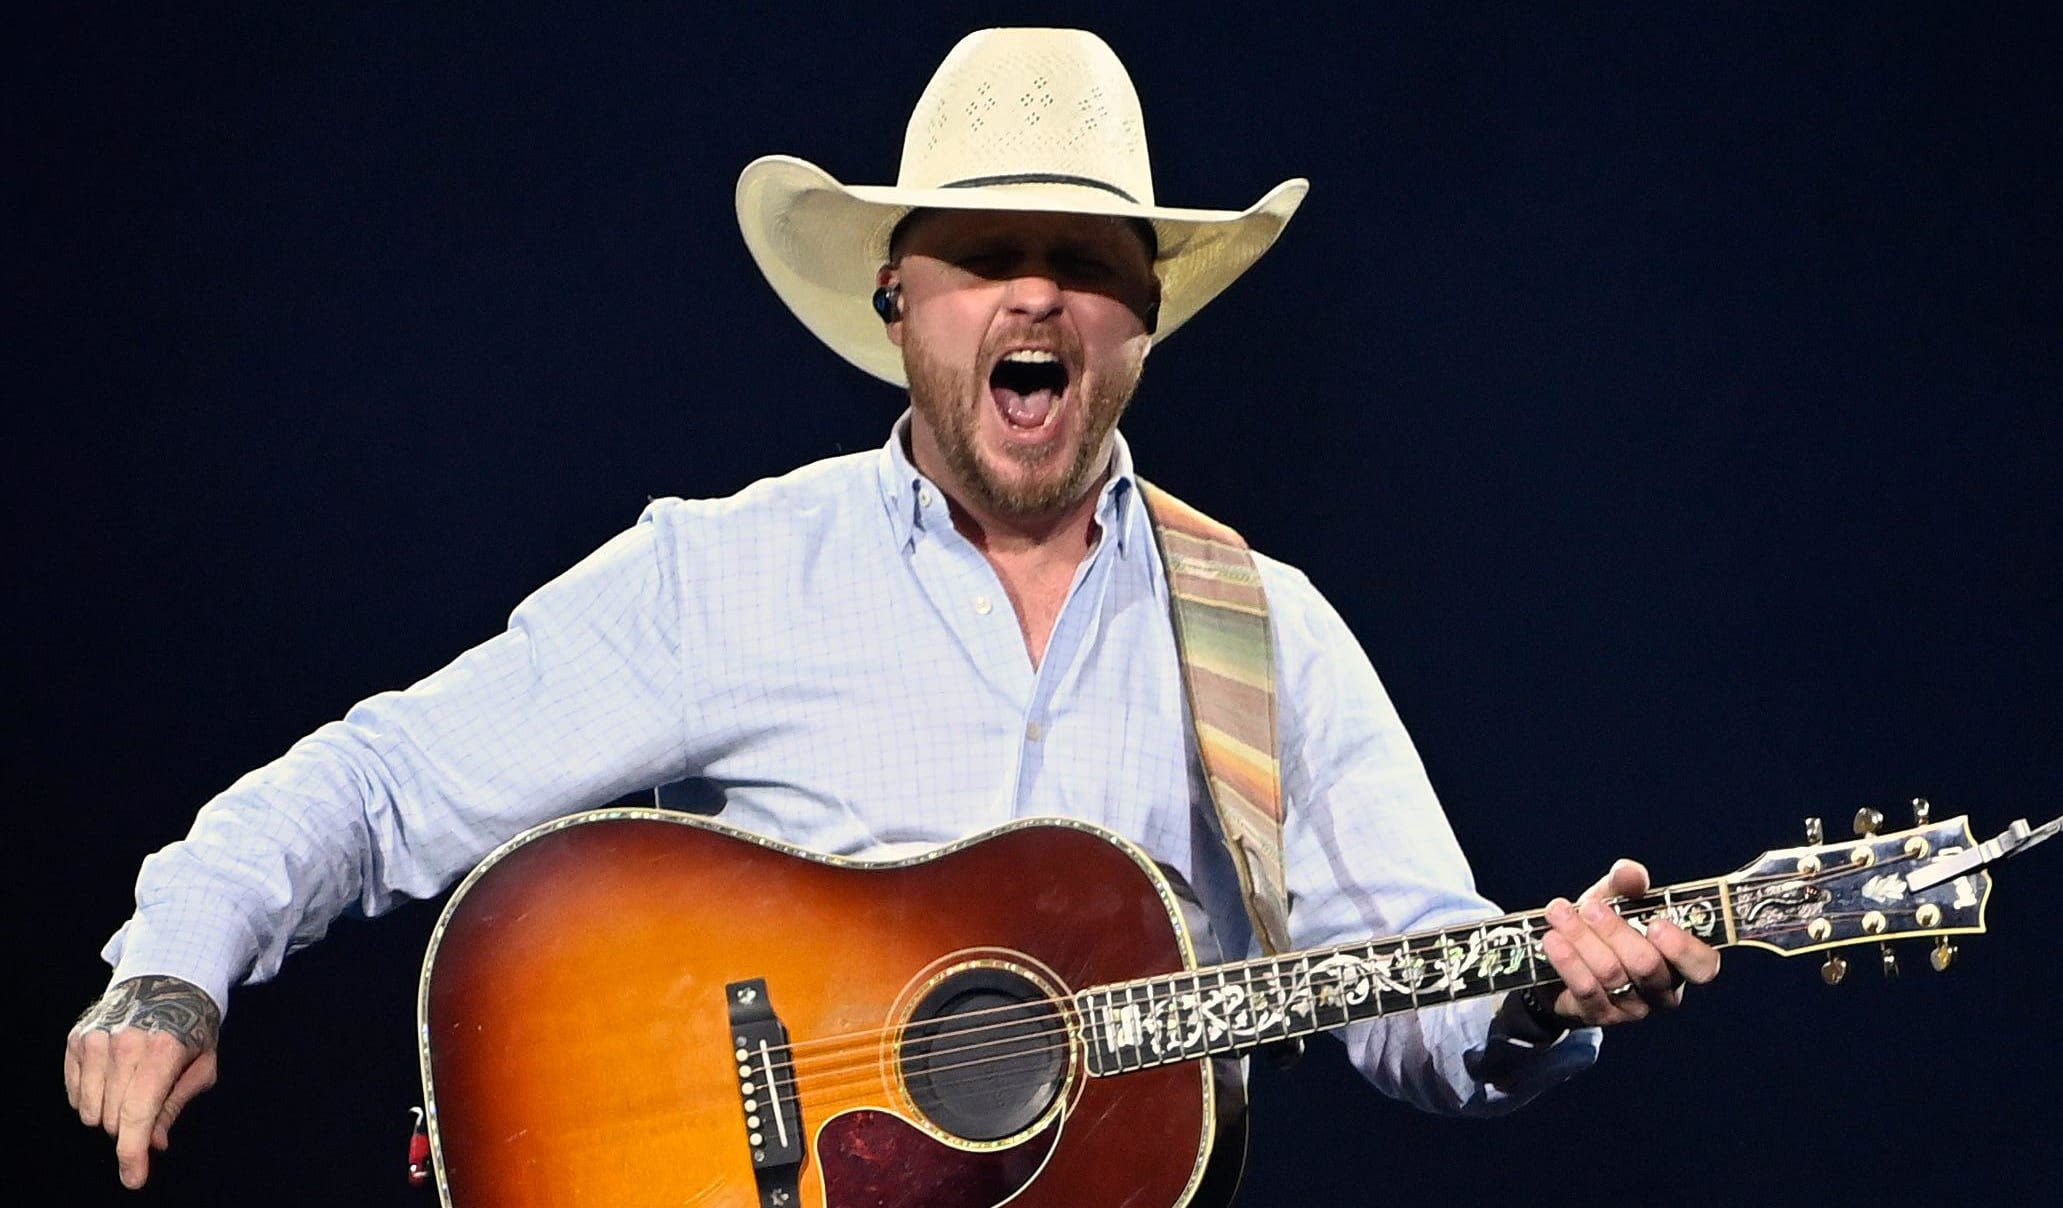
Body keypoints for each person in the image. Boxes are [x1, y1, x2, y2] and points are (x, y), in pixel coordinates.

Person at [64, 27, 1720, 1194]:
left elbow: (1415, 986)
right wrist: (172, 973)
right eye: (985, 249)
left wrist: (1535, 994)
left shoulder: (1263, 633)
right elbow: (382, 781)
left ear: (1144, 322)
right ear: (896, 301)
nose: (1035, 292)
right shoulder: (730, 574)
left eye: (1086, 260)